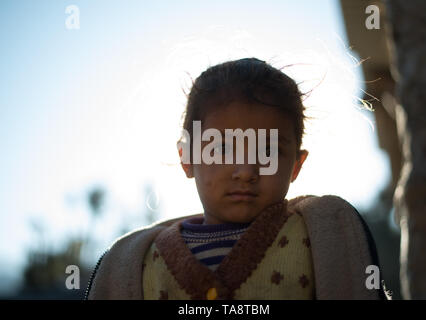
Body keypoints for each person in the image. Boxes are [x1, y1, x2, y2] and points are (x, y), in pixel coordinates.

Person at [85, 58, 390, 300]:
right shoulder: (139, 263)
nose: (245, 171)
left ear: (296, 165)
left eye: (268, 151)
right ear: (187, 158)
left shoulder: (320, 240)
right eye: (221, 148)